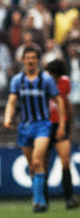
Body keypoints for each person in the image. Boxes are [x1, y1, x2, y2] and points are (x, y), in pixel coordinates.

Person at [3, 43, 65, 213]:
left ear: (38, 60)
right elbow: (12, 101)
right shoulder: (17, 80)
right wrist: (8, 118)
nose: (30, 61)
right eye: (27, 58)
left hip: (42, 125)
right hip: (25, 126)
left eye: (33, 58)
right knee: (32, 166)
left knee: (38, 161)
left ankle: (39, 201)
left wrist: (61, 124)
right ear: (23, 60)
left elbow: (58, 101)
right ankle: (38, 196)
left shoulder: (46, 79)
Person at [44, 59, 79, 209]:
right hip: (45, 125)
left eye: (56, 77)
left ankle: (69, 198)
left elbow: (68, 106)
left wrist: (68, 129)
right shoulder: (42, 81)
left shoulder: (65, 82)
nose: (54, 79)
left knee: (65, 161)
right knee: (42, 164)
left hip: (61, 125)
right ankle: (42, 200)